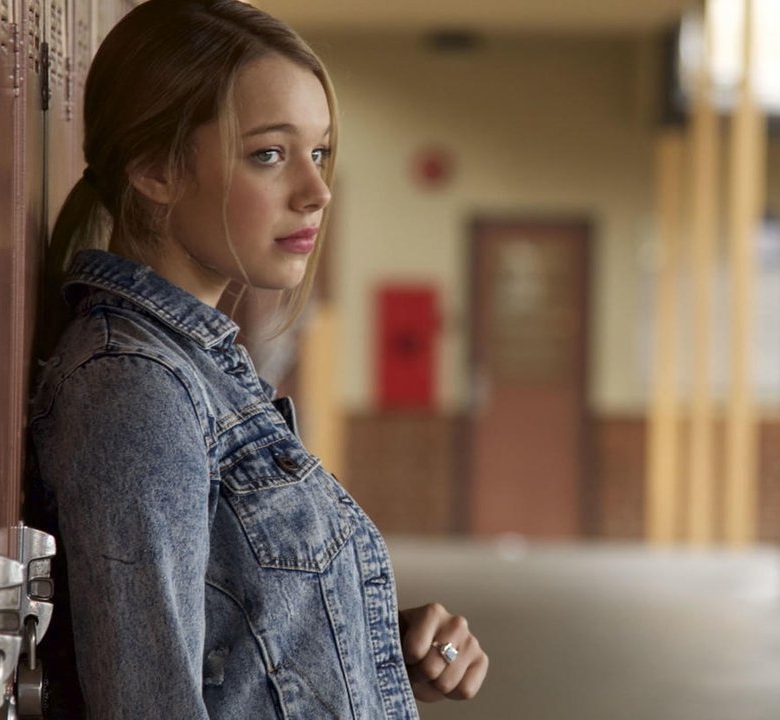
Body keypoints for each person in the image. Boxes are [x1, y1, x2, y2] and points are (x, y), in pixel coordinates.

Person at [24, 1, 489, 717]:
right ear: (155, 168)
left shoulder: (196, 369)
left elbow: (225, 646)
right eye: (270, 154)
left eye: (321, 152)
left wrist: (368, 645)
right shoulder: (138, 391)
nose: (317, 191)